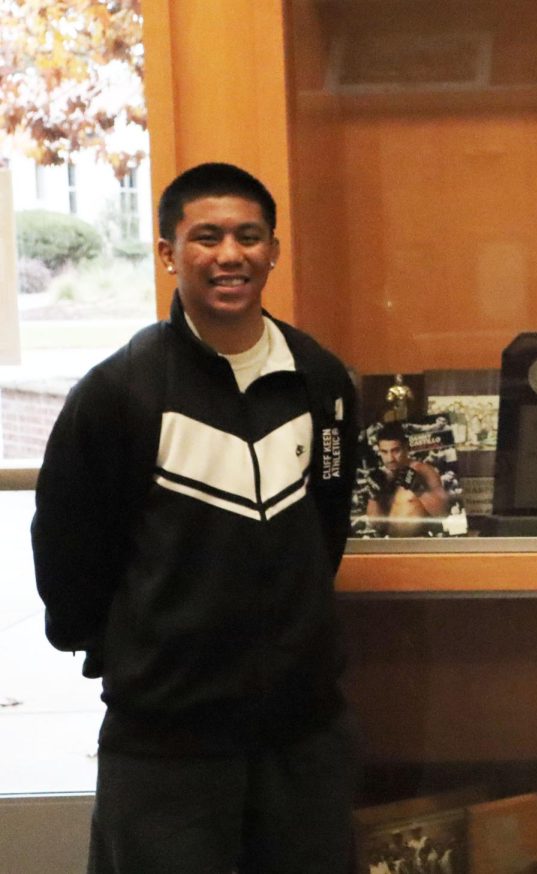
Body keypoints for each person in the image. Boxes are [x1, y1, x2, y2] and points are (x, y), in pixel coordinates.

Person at [31, 162, 360, 874]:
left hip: (302, 735)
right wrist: (136, 649)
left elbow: (324, 529)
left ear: (273, 249)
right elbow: (69, 554)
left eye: (249, 236)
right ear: (166, 253)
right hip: (164, 743)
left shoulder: (322, 379)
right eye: (205, 237)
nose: (229, 254)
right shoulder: (118, 391)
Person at [365, 421, 451, 536]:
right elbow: (375, 524)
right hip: (389, 545)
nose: (390, 458)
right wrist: (373, 496)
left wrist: (418, 488)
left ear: (405, 448)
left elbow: (443, 513)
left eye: (395, 451)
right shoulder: (381, 476)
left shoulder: (423, 470)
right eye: (384, 452)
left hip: (416, 545)